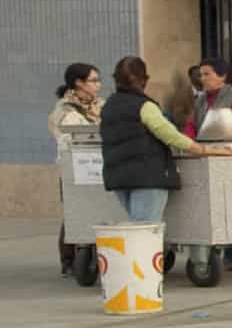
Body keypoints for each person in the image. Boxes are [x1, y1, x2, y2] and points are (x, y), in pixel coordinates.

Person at [99, 56, 219, 224]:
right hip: (146, 177)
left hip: (117, 177)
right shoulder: (144, 106)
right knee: (145, 231)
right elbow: (170, 135)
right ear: (143, 80)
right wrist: (202, 149)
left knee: (136, 228)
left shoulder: (108, 106)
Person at [184, 57, 232, 270]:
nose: (203, 78)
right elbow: (191, 124)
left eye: (207, 74)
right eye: (201, 74)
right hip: (204, 156)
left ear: (222, 76)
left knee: (231, 207)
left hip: (230, 159)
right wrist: (188, 143)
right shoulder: (200, 100)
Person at [48, 62, 102, 276]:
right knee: (75, 212)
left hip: (98, 166)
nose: (98, 85)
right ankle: (69, 259)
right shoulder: (64, 110)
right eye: (93, 80)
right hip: (76, 167)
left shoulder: (100, 105)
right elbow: (68, 139)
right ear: (79, 83)